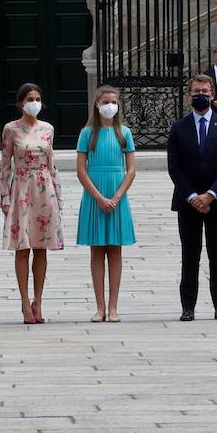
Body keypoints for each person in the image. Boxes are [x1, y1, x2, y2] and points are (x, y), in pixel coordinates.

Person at [167, 74, 217, 322]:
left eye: (205, 91)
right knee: (190, 254)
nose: (201, 95)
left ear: (212, 94)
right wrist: (192, 196)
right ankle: (188, 306)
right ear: (189, 95)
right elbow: (174, 167)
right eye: (196, 91)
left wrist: (210, 195)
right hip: (188, 201)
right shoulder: (179, 127)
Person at [0, 83, 64, 325]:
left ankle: (39, 299)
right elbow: (5, 164)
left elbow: (51, 162)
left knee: (41, 246)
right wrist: (4, 197)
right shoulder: (11, 129)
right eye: (29, 98)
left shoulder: (48, 128)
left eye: (37, 98)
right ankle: (25, 302)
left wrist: (58, 194)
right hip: (22, 188)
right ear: (20, 103)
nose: (34, 102)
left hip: (44, 188)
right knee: (22, 247)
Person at [75, 85, 136, 323]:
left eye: (114, 102)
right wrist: (99, 197)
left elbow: (131, 169)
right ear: (97, 105)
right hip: (95, 194)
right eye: (106, 102)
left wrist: (117, 196)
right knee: (97, 251)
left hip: (117, 192)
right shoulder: (87, 133)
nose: (110, 106)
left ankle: (113, 307)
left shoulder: (125, 133)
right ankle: (99, 307)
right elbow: (81, 170)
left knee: (115, 250)